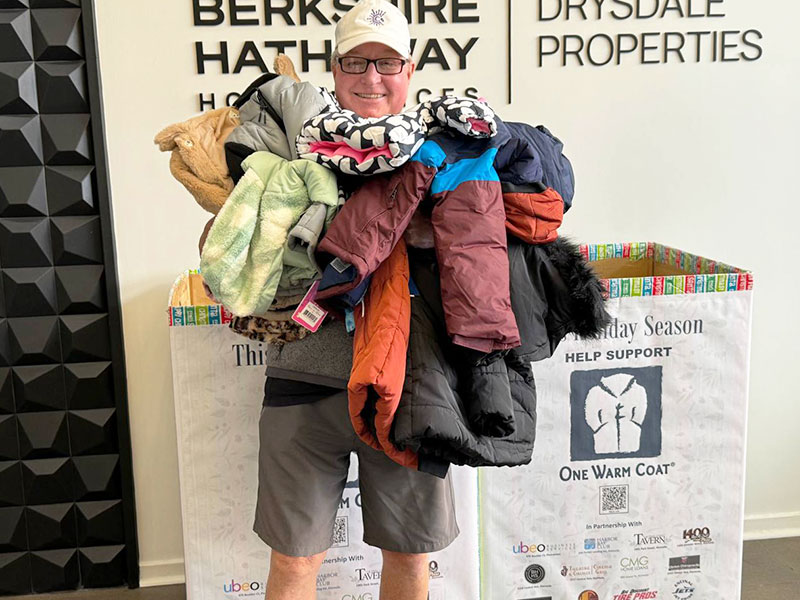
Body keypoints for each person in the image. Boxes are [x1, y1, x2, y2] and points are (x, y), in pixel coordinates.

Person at [255, 2, 459, 599]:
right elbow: (232, 253)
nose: (373, 77)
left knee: (410, 557)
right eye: (357, 62)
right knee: (294, 564)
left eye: (388, 62)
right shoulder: (290, 151)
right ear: (335, 68)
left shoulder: (445, 154)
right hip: (302, 382)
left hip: (407, 389)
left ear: (411, 68)